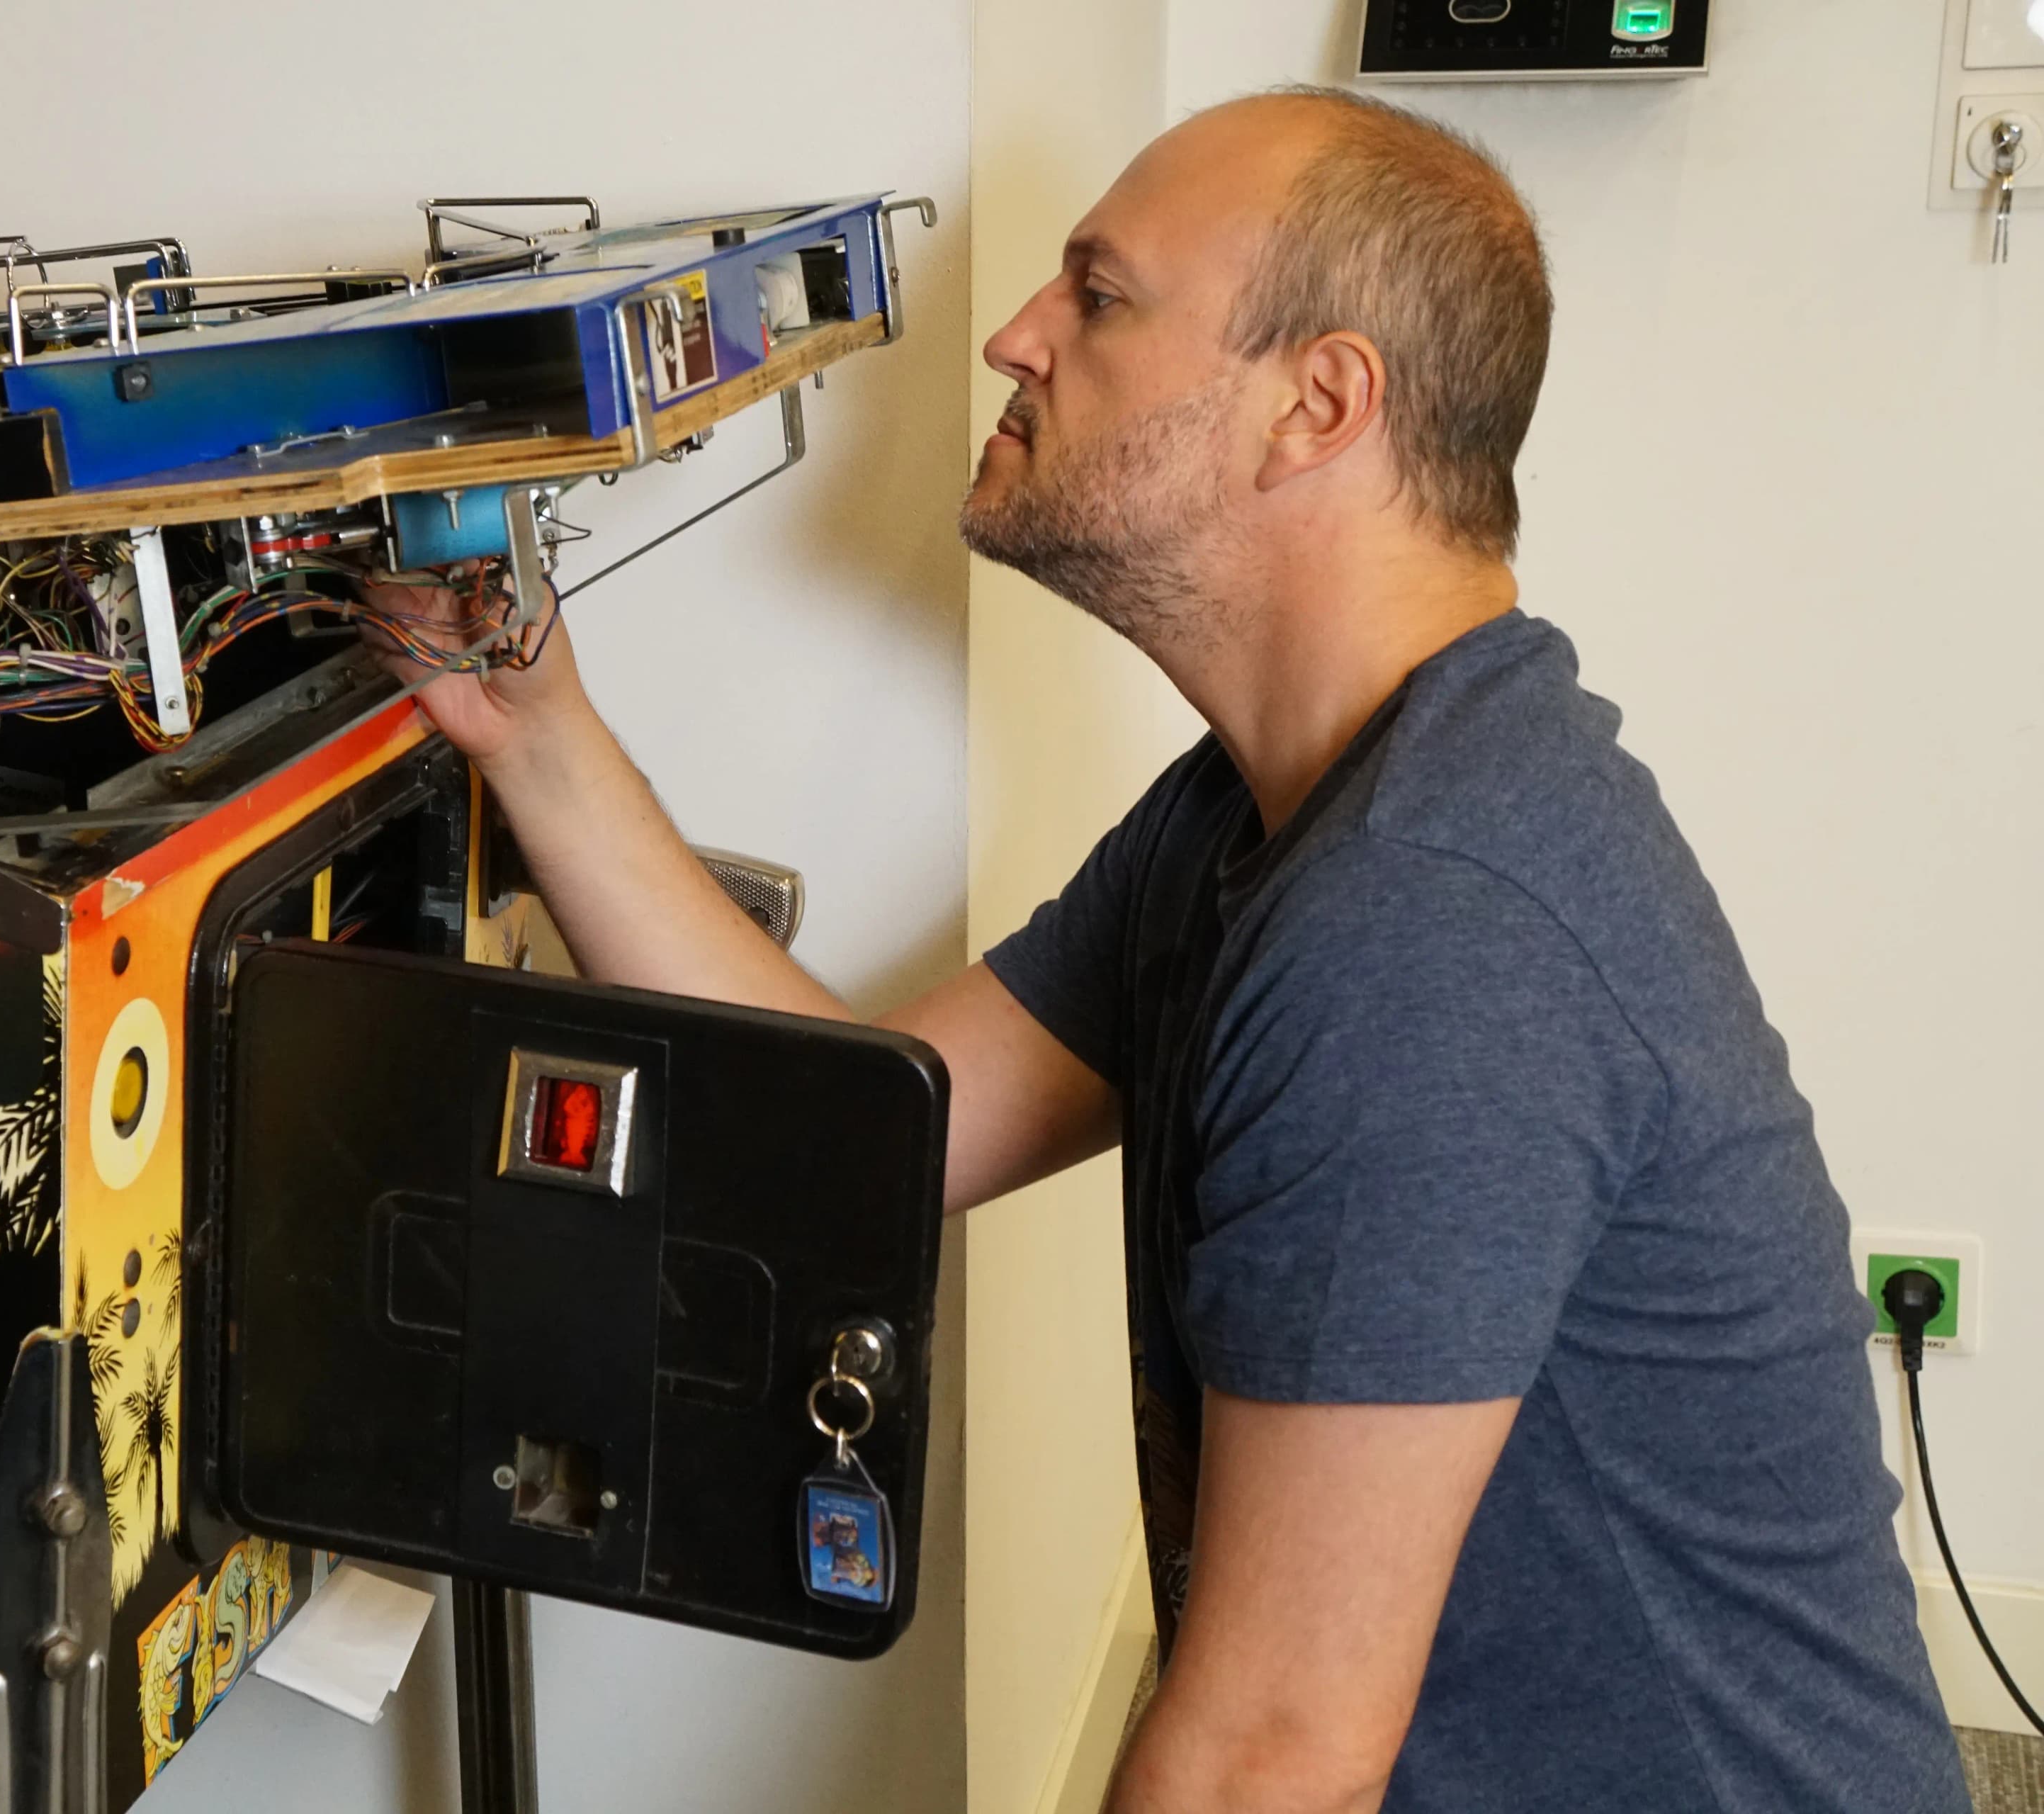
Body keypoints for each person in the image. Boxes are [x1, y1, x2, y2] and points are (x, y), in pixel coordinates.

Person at [375, 86, 1971, 1814]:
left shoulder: (1430, 924)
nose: (1015, 335)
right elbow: (859, 1134)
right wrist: (531, 728)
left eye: (1099, 293)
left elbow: (1267, 1766)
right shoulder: (1259, 815)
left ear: (1318, 404)